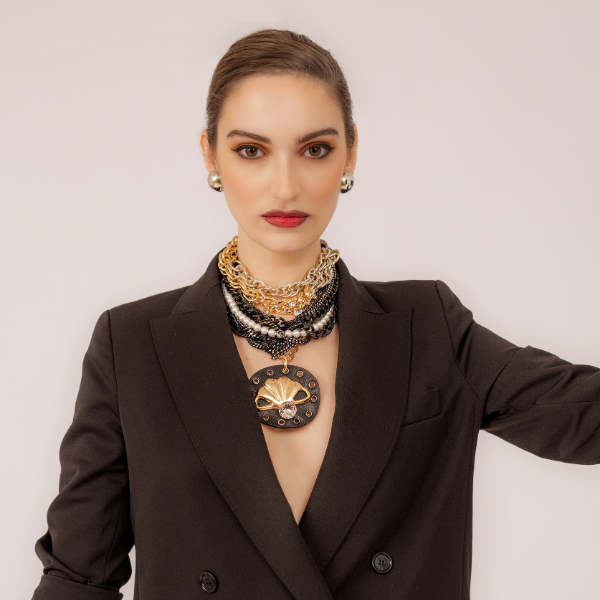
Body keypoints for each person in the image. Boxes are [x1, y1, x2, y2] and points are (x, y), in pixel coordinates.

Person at [31, 28, 600, 600]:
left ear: (351, 152)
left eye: (315, 150)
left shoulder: (427, 325)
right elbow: (78, 576)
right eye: (251, 151)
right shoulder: (131, 344)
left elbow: (583, 416)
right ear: (210, 155)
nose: (285, 187)